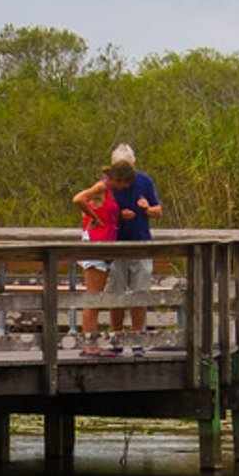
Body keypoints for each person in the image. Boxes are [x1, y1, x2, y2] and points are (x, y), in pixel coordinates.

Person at [100, 144, 161, 346]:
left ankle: (137, 340)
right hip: (114, 246)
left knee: (139, 294)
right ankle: (116, 338)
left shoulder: (144, 181)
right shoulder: (106, 184)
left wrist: (147, 209)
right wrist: (118, 215)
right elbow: (96, 212)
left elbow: (158, 211)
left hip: (140, 244)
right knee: (115, 295)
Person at [71, 171, 119, 355]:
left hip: (106, 246)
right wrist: (94, 217)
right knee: (93, 296)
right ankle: (89, 345)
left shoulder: (114, 191)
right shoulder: (100, 187)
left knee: (96, 297)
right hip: (94, 245)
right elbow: (78, 199)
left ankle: (91, 342)